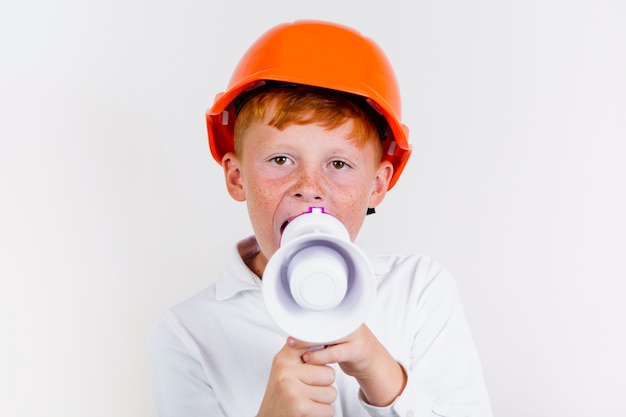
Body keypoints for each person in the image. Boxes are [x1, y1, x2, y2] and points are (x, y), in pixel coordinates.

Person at [148, 20, 493, 417]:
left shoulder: (418, 290)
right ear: (236, 175)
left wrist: (382, 375)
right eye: (281, 159)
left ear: (377, 185)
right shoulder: (186, 334)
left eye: (339, 163)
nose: (309, 186)